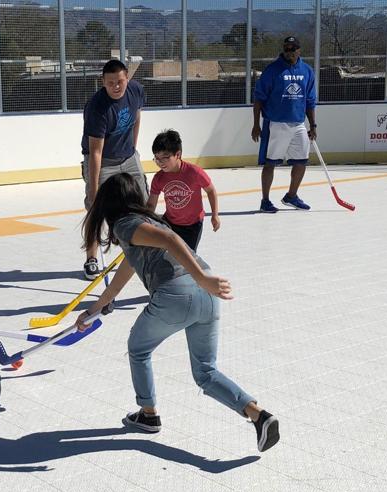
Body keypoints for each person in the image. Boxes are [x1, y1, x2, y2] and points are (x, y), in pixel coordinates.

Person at [75, 173, 279, 453]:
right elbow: (129, 266)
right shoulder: (145, 223)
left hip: (184, 290)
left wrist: (200, 279)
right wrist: (96, 308)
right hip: (207, 293)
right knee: (206, 372)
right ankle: (260, 416)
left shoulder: (126, 223)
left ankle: (148, 414)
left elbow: (171, 239)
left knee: (138, 348)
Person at [81, 59, 148, 280]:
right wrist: (93, 190)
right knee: (96, 210)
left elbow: (137, 117)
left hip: (128, 156)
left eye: (120, 81)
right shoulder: (97, 107)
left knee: (145, 203)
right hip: (103, 161)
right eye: (110, 83)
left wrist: (133, 150)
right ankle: (92, 258)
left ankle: (147, 251)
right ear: (103, 82)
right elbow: (96, 152)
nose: (116, 86)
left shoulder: (136, 90)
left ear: (127, 78)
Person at [252, 35, 317, 213]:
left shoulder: (307, 71)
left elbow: (310, 100)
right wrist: (256, 124)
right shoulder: (272, 70)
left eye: (292, 48)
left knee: (301, 161)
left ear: (299, 50)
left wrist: (313, 125)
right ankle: (265, 200)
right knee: (270, 162)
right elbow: (259, 98)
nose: (289, 51)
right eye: (286, 48)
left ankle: (291, 196)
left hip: (298, 124)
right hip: (276, 124)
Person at [146, 129, 219, 251]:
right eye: (157, 159)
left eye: (165, 158)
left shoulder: (194, 172)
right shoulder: (159, 178)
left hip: (193, 226)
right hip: (169, 223)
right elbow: (151, 203)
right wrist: (145, 219)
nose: (160, 163)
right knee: (163, 253)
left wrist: (214, 215)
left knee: (187, 258)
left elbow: (211, 190)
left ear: (178, 154)